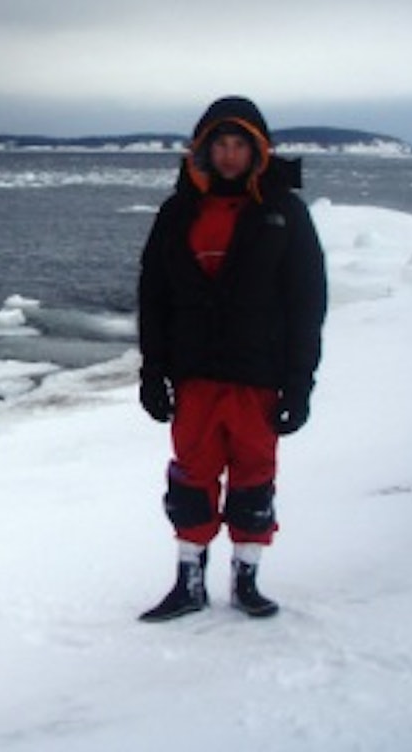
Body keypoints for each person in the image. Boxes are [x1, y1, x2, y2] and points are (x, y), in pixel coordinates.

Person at [136, 96, 327, 621]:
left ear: (257, 150)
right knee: (190, 476)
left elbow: (307, 302)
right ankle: (188, 582)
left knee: (253, 476)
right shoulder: (178, 212)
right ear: (202, 150)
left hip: (257, 375)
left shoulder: (284, 213)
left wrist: (300, 381)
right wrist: (153, 373)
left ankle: (247, 579)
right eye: (218, 144)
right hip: (195, 374)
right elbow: (152, 297)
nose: (227, 155)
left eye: (238, 144)